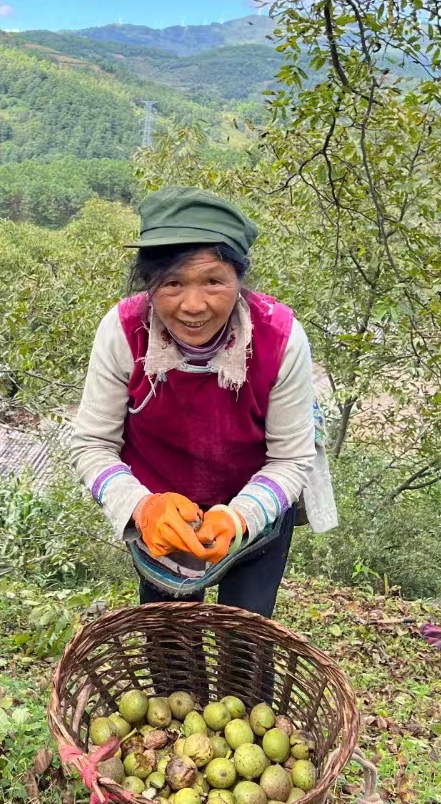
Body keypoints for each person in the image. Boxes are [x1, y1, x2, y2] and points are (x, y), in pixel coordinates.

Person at [68, 185, 336, 614]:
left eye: (214, 281)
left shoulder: (279, 338)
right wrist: (143, 507)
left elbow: (290, 458)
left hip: (257, 503)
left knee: (245, 642)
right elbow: (92, 444)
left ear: (239, 280)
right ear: (149, 284)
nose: (193, 305)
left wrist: (238, 516)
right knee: (170, 641)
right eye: (172, 283)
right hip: (163, 511)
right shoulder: (123, 332)